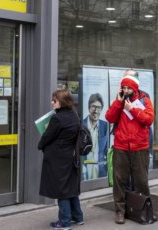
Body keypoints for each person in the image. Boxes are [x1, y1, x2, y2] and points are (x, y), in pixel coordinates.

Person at [105, 75, 154, 224]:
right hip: (121, 146)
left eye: (129, 88)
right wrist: (119, 103)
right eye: (124, 87)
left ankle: (145, 209)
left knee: (141, 181)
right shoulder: (119, 101)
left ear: (135, 88)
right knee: (119, 181)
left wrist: (133, 109)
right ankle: (120, 211)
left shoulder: (144, 100)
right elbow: (109, 117)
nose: (126, 90)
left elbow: (149, 119)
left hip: (139, 147)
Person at [38, 89, 84, 230]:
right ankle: (78, 217)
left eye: (55, 100)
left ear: (62, 102)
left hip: (58, 158)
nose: (52, 102)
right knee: (70, 188)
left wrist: (40, 145)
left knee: (61, 190)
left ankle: (64, 222)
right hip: (71, 156)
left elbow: (47, 137)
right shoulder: (74, 115)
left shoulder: (57, 118)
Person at [82, 93, 109, 180]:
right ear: (88, 107)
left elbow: (106, 149)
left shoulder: (105, 126)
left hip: (100, 170)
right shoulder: (81, 125)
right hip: (84, 170)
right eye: (93, 106)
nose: (96, 111)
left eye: (99, 108)